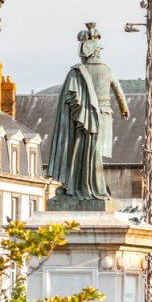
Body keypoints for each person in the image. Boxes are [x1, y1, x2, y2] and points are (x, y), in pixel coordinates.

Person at [48, 24, 129, 203]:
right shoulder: (107, 70)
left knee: (78, 151)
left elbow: (69, 97)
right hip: (103, 115)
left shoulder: (77, 71)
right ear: (97, 52)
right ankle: (93, 188)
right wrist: (124, 109)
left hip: (82, 116)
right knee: (95, 153)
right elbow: (119, 92)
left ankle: (76, 187)